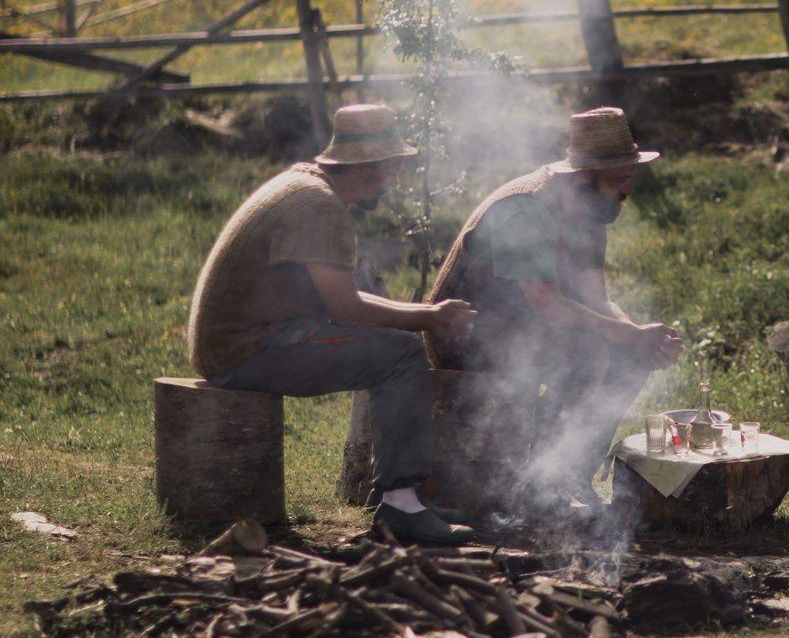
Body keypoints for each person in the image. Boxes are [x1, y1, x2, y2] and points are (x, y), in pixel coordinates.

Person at [187, 104, 479, 545]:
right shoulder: (321, 207)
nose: (395, 180)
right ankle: (401, 505)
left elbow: (346, 299)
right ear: (368, 169)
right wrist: (429, 319)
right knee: (400, 354)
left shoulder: (303, 185)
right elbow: (348, 310)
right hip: (242, 350)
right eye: (392, 170)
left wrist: (418, 316)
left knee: (397, 342)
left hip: (238, 341)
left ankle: (403, 497)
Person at [426, 107, 683, 517]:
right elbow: (548, 304)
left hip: (526, 329)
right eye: (620, 181)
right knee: (589, 352)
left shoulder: (592, 215)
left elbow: (596, 300)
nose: (627, 192)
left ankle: (566, 476)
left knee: (629, 353)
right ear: (584, 179)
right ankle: (542, 480)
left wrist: (639, 336)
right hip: (469, 333)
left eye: (629, 179)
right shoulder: (523, 209)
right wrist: (625, 335)